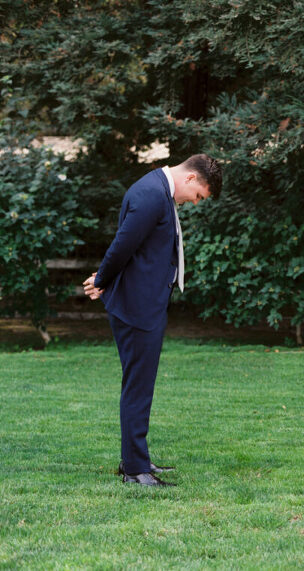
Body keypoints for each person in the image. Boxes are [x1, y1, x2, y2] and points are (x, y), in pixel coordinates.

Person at [83, 154, 222, 487]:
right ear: (191, 179)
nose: (195, 202)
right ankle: (134, 470)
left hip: (145, 306)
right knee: (138, 387)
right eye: (199, 195)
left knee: (141, 386)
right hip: (137, 309)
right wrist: (101, 279)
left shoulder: (158, 190)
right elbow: (123, 244)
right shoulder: (150, 193)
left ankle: (138, 460)